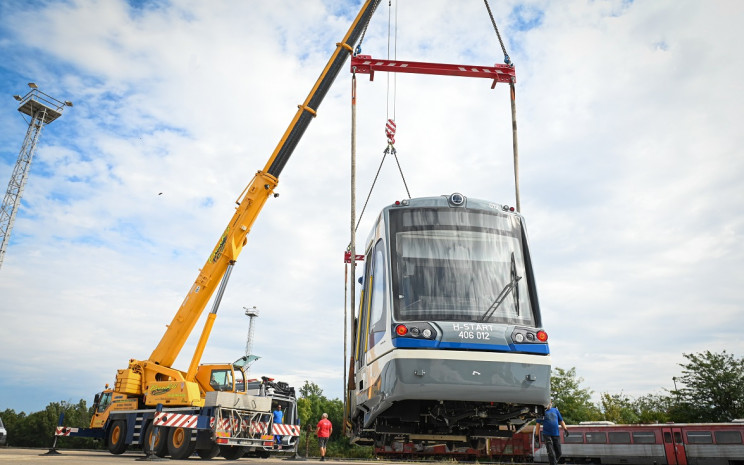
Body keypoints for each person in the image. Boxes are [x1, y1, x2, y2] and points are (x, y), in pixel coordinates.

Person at [536, 400, 569, 465]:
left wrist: (565, 429)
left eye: (549, 403)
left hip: (556, 434)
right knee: (551, 452)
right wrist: (536, 435)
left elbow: (561, 421)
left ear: (551, 403)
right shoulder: (541, 412)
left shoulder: (555, 410)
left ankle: (553, 463)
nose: (548, 404)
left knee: (559, 453)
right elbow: (538, 424)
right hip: (547, 434)